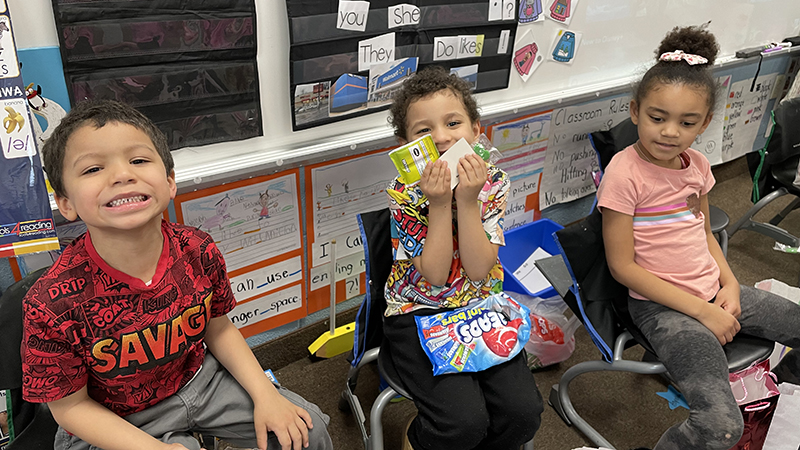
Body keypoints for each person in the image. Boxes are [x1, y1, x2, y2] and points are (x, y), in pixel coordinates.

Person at [20, 100, 333, 450]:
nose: (122, 175)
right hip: (113, 416)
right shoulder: (50, 302)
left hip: (200, 380)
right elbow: (71, 408)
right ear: (66, 203)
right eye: (93, 169)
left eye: (138, 160)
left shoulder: (197, 249)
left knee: (307, 431)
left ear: (169, 182)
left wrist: (265, 394)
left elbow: (219, 328)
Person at [598, 26, 800, 450]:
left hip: (713, 290)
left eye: (687, 122)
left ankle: (773, 391)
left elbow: (704, 232)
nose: (670, 132)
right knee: (719, 428)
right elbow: (623, 267)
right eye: (657, 118)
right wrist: (703, 312)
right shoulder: (624, 173)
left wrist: (727, 284)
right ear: (635, 111)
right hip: (663, 310)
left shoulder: (697, 166)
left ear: (704, 123)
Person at [383, 66, 543, 450]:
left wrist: (467, 200)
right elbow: (435, 275)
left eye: (453, 122)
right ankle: (414, 437)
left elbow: (476, 268)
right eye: (424, 130)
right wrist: (439, 204)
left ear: (475, 129)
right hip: (419, 312)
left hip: (481, 306)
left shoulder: (494, 182)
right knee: (462, 422)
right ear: (406, 143)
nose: (441, 138)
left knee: (522, 414)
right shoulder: (403, 194)